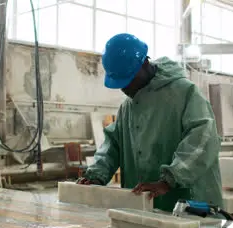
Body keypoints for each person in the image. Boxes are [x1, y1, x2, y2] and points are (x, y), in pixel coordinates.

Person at [77, 33, 223, 212]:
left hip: (190, 206)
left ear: (145, 64)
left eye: (129, 79)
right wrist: (96, 175)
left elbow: (202, 139)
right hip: (144, 208)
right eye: (121, 83)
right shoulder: (128, 107)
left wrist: (170, 180)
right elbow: (113, 145)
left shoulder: (184, 93)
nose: (125, 88)